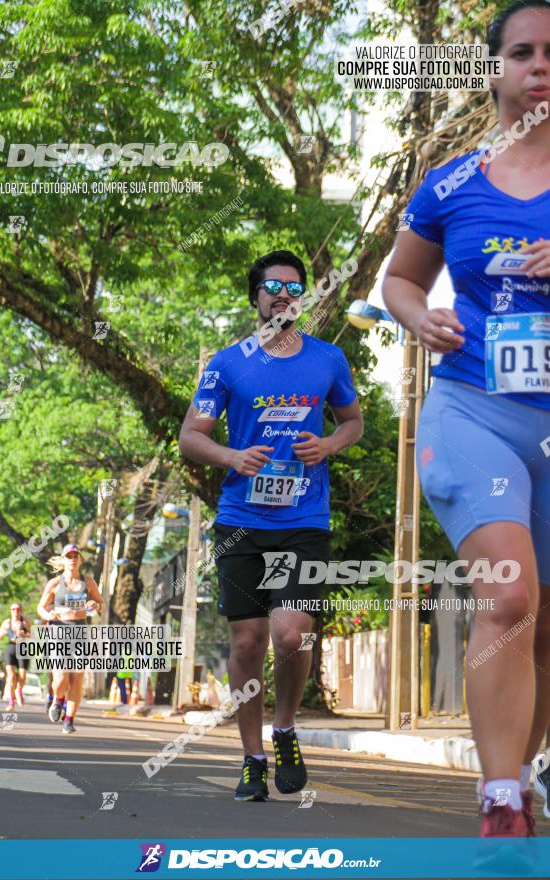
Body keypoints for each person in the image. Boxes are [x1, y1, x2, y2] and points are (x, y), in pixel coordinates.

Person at [383, 0, 550, 837]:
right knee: (510, 597)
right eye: (522, 51)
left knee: (543, 623)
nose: (540, 66)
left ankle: (520, 779)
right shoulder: (450, 181)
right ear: (495, 69)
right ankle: (496, 799)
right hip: (473, 407)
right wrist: (417, 317)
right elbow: (399, 280)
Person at [179, 249, 363, 801]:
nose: (284, 294)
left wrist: (329, 443)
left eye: (294, 286)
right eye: (273, 286)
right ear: (255, 297)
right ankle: (252, 757)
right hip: (241, 520)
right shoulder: (227, 364)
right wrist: (232, 457)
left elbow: (352, 422)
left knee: (292, 632)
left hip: (305, 518)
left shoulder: (329, 360)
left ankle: (285, 728)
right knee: (247, 641)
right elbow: (192, 436)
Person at [37, 544, 104, 734]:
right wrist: (48, 615)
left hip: (80, 631)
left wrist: (95, 605)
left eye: (76, 556)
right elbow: (40, 607)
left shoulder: (88, 582)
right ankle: (58, 699)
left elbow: (101, 604)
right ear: (64, 559)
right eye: (69, 556)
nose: (72, 559)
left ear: (80, 560)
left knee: (77, 677)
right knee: (61, 677)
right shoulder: (54, 583)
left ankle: (69, 719)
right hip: (59, 631)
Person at [0, 603, 31, 710]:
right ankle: (11, 702)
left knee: (22, 675)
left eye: (18, 609)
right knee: (11, 677)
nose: (16, 611)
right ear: (10, 611)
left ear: (21, 610)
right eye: (13, 609)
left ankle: (19, 690)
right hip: (10, 648)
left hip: (22, 648)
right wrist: (3, 632)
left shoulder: (24, 622)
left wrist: (25, 634)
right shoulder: (7, 622)